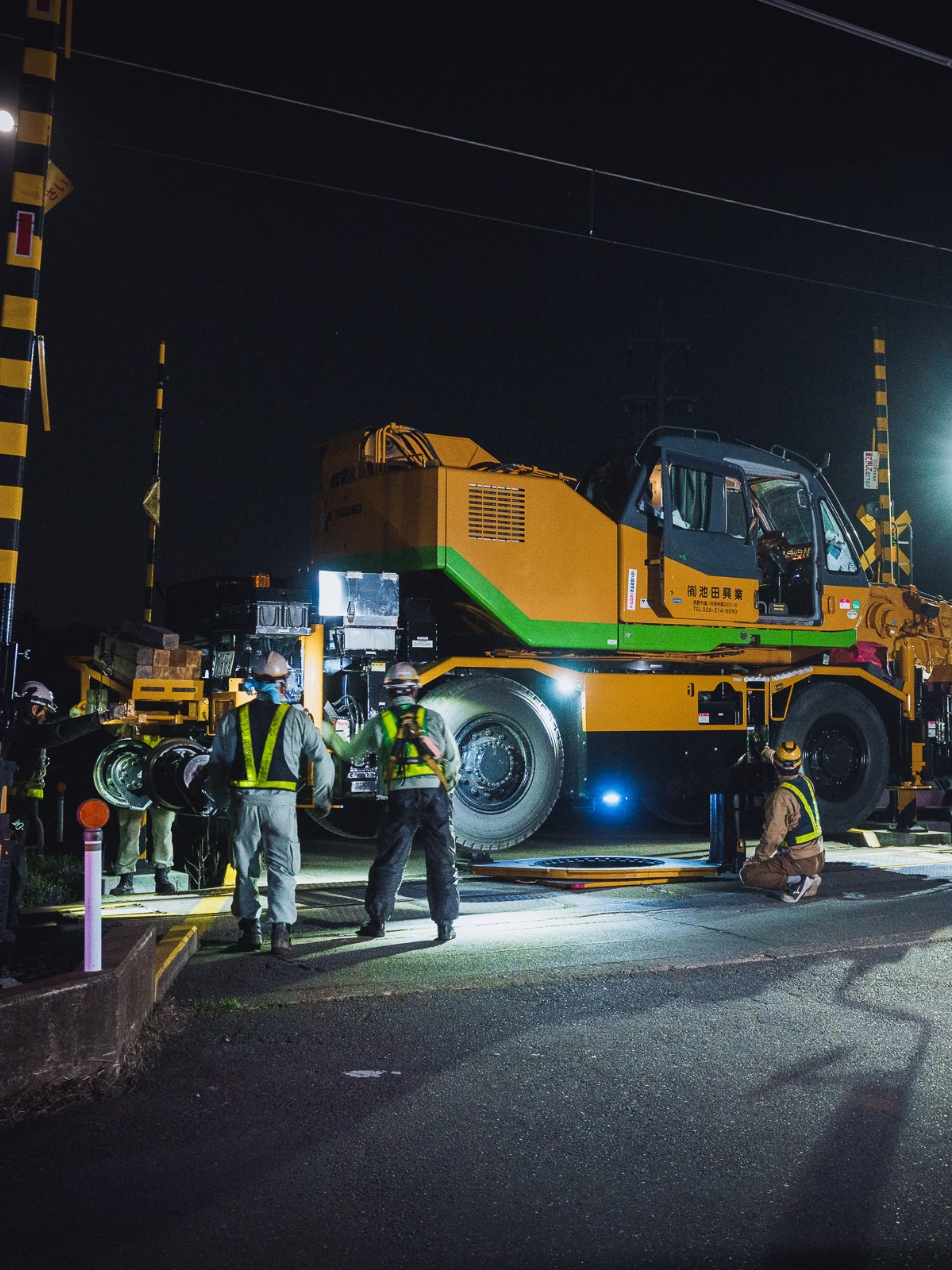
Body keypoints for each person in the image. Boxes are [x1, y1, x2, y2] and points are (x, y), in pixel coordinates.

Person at [322, 661, 461, 943]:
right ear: (415, 691)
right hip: (435, 796)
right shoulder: (433, 718)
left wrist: (327, 733)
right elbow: (454, 761)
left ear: (388, 693)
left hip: (400, 798)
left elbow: (350, 753)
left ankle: (378, 921)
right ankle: (445, 925)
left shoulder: (380, 723)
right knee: (442, 860)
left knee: (390, 861)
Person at [207, 651, 334, 955]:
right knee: (282, 867)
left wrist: (223, 801)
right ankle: (280, 933)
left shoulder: (231, 719)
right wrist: (322, 799)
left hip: (243, 805)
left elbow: (217, 766)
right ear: (282, 683)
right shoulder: (296, 718)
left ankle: (250, 931)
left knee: (245, 868)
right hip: (281, 806)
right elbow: (323, 760)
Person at [3, 680, 132, 939]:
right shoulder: (24, 733)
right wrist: (102, 717)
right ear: (34, 709)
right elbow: (59, 731)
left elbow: (56, 726)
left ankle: (8, 923)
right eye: (45, 712)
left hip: (18, 806)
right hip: (13, 808)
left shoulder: (21, 729)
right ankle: (7, 927)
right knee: (12, 863)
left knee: (14, 861)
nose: (46, 717)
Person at [739, 740, 824, 903]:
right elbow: (781, 762)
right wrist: (765, 751)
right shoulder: (805, 781)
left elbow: (772, 837)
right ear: (799, 764)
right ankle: (809, 877)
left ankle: (799, 881)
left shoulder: (781, 797)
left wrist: (755, 860)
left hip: (799, 860)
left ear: (777, 768)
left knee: (747, 874)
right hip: (817, 856)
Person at [110, 728, 176, 896]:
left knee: (163, 829)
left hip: (161, 774)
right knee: (129, 830)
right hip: (132, 772)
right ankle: (126, 879)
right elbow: (111, 729)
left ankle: (162, 876)